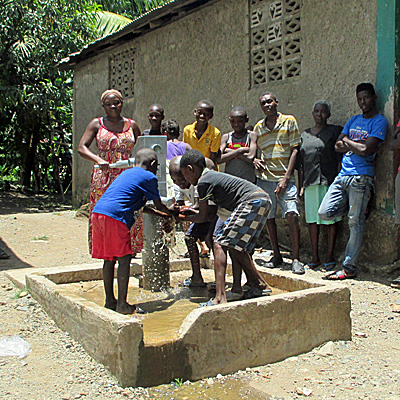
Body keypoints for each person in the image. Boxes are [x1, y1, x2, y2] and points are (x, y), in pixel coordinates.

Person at [179, 150, 272, 306]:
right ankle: (258, 285)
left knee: (220, 243)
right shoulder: (212, 178)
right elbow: (209, 215)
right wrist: (190, 212)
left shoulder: (204, 182)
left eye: (185, 175)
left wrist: (181, 218)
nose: (185, 179)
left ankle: (220, 297)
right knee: (237, 247)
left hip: (250, 201)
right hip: (261, 199)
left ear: (190, 168)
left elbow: (202, 217)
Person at [91, 149, 176, 314]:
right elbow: (158, 204)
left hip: (98, 213)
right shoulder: (149, 177)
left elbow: (137, 205)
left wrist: (160, 214)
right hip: (116, 218)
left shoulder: (126, 174)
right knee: (124, 259)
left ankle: (110, 301)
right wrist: (170, 214)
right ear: (152, 164)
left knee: (109, 259)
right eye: (157, 166)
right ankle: (122, 304)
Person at [319, 83, 388, 280]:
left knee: (354, 223)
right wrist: (354, 144)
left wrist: (348, 142)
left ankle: (348, 267)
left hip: (361, 177)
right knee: (324, 212)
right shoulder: (354, 119)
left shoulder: (379, 122)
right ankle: (357, 210)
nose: (363, 102)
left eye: (366, 98)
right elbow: (337, 146)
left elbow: (366, 150)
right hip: (342, 176)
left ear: (374, 97)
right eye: (359, 99)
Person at [77, 89, 142, 255]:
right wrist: (98, 160)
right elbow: (81, 147)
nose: (113, 106)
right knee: (105, 213)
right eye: (109, 104)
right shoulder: (96, 124)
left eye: (117, 103)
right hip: (104, 176)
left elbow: (142, 148)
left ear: (122, 104)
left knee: (130, 209)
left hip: (127, 175)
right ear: (103, 106)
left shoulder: (132, 125)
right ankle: (106, 248)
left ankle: (129, 248)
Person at [254, 92, 303, 274]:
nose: (267, 105)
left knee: (292, 215)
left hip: (285, 179)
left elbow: (295, 150)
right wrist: (254, 161)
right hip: (265, 179)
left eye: (270, 101)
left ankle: (296, 258)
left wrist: (286, 178)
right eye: (263, 103)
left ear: (276, 102)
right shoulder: (259, 127)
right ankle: (276, 255)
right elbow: (255, 151)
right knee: (269, 218)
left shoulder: (289, 121)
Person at [298, 101, 343, 271]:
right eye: (316, 111)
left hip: (329, 181)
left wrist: (339, 181)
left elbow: (340, 157)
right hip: (310, 183)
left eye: (323, 111)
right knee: (312, 221)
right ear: (312, 113)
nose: (320, 114)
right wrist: (301, 185)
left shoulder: (334, 131)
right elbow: (301, 164)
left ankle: (330, 256)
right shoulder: (305, 135)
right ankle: (315, 256)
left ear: (328, 114)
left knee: (331, 219)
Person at [169, 156, 216, 287]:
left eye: (182, 179)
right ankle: (196, 276)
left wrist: (183, 212)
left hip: (214, 211)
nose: (180, 183)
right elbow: (180, 204)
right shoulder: (178, 186)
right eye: (176, 180)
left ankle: (219, 279)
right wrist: (174, 211)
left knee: (214, 241)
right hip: (201, 213)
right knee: (189, 238)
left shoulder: (198, 181)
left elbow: (197, 206)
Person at [218, 106, 257, 183]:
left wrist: (229, 151)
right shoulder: (226, 137)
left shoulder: (251, 135)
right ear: (230, 121)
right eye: (233, 121)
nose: (236, 124)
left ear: (246, 120)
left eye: (240, 121)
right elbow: (219, 159)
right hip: (230, 182)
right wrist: (241, 150)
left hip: (248, 181)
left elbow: (250, 157)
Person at [183, 100, 221, 168]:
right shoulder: (187, 130)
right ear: (195, 112)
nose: (202, 116)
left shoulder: (215, 133)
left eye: (206, 114)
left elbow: (212, 158)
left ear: (211, 116)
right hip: (191, 169)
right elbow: (185, 152)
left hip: (207, 168)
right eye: (199, 112)